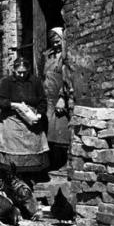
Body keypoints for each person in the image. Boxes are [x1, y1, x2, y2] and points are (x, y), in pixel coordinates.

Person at [0, 57, 49, 185]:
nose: (21, 75)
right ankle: (11, 175)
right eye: (19, 72)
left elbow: (43, 101)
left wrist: (38, 115)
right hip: (12, 118)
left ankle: (28, 175)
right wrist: (14, 105)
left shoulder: (35, 82)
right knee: (11, 147)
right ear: (14, 70)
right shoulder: (7, 82)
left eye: (24, 72)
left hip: (30, 119)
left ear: (28, 71)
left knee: (32, 146)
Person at [42, 27, 73, 172]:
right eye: (53, 42)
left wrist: (62, 97)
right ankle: (53, 163)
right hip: (48, 97)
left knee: (62, 130)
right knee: (49, 131)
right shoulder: (49, 57)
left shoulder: (66, 57)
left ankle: (66, 162)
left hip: (59, 97)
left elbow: (66, 77)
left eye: (58, 41)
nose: (55, 44)